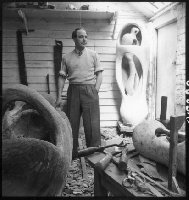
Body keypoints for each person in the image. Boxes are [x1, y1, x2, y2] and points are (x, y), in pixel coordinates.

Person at [55, 27, 103, 159]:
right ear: (74, 39)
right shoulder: (66, 57)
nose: (84, 39)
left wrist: (95, 91)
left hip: (90, 90)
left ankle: (94, 153)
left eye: (86, 36)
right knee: (72, 122)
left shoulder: (93, 54)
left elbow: (99, 74)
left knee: (92, 123)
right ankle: (72, 153)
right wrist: (59, 97)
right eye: (81, 36)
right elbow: (61, 77)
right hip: (73, 90)